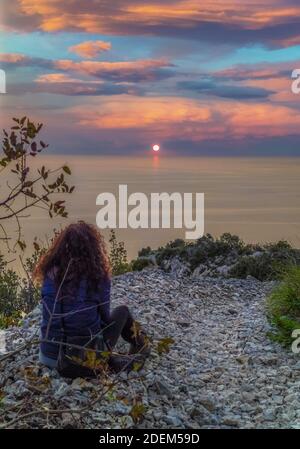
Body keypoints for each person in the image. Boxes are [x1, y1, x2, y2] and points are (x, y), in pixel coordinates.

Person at [34, 221, 150, 373]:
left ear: (61, 247)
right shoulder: (97, 276)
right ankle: (141, 347)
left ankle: (115, 359)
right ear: (93, 248)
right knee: (122, 311)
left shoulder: (49, 273)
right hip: (82, 359)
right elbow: (105, 319)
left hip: (48, 356)